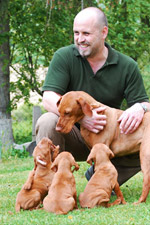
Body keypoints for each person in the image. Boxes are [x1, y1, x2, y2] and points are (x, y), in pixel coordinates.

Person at [36, 7, 150, 185]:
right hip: (73, 133)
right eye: (76, 33)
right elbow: (49, 97)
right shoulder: (64, 57)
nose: (80, 39)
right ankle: (51, 184)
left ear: (104, 32)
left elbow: (144, 104)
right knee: (47, 121)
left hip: (109, 141)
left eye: (86, 33)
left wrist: (140, 106)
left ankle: (102, 178)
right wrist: (83, 119)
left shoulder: (127, 66)